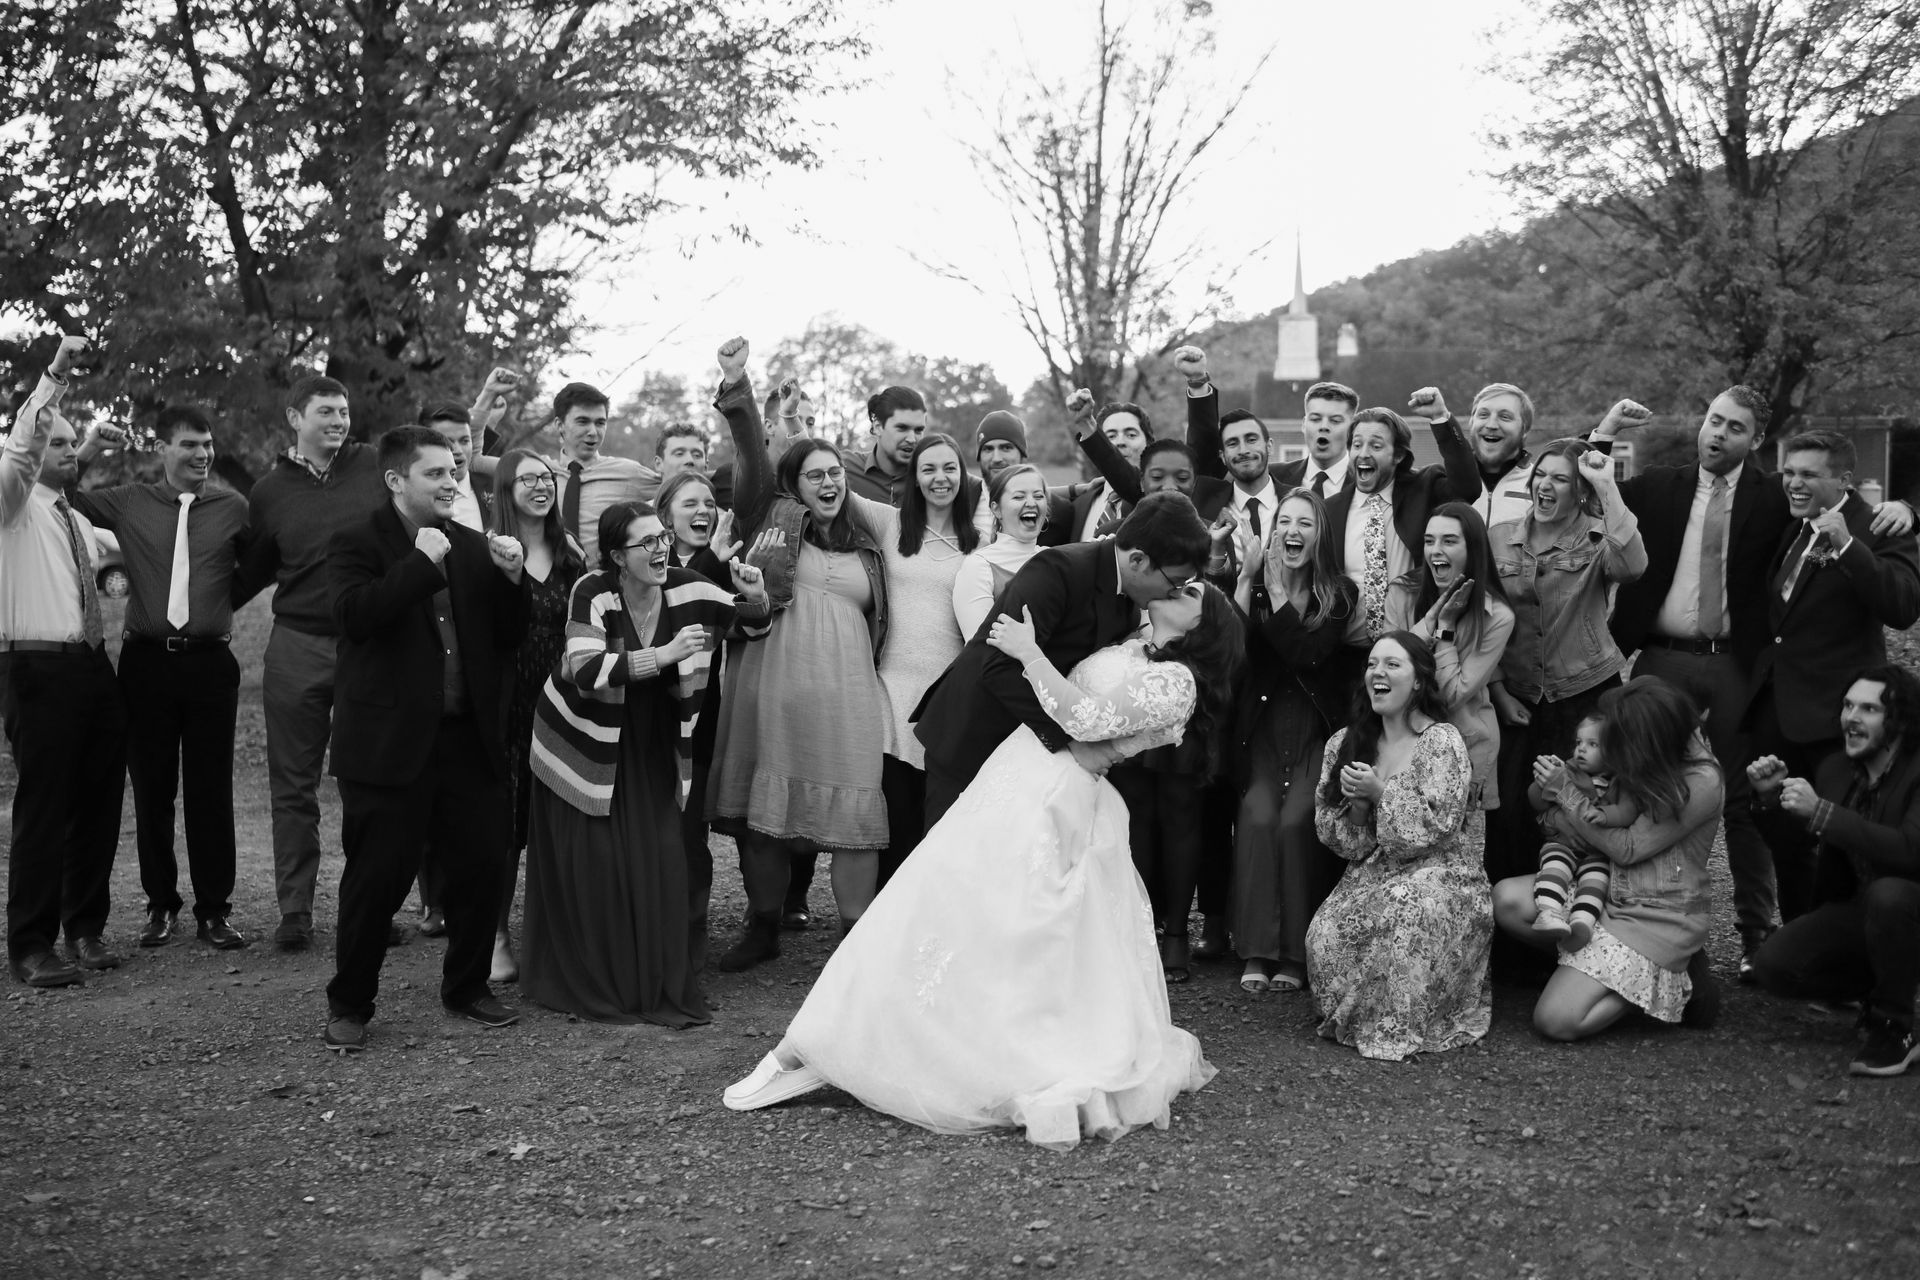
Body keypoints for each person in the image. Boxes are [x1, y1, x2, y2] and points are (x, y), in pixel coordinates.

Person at [721, 580, 1243, 1151]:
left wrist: (1029, 652)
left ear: (1204, 622)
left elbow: (1087, 720)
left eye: (1192, 589)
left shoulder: (1178, 683)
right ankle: (823, 1036)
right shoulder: (1133, 644)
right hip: (1015, 772)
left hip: (1060, 797)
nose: (1177, 583)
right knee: (930, 896)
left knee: (1007, 926)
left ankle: (934, 1049)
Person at [320, 427, 530, 1052]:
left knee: (483, 866)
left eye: (454, 472)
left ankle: (465, 987)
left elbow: (506, 638)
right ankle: (351, 1004)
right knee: (377, 878)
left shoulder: (472, 545)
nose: (451, 482)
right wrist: (420, 563)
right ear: (395, 481)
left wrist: (515, 580)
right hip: (389, 744)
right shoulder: (355, 542)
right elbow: (356, 617)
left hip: (467, 739)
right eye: (434, 473)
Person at [521, 501, 769, 1025]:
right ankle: (596, 974)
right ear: (616, 555)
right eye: (646, 543)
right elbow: (586, 669)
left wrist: (755, 596)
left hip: (654, 744)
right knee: (599, 864)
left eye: (662, 538)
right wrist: (666, 654)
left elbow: (748, 626)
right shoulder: (592, 591)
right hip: (584, 742)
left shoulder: (689, 588)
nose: (661, 550)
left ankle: (651, 976)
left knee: (659, 855)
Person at [706, 339, 894, 968]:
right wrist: (739, 387)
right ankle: (762, 928)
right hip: (771, 683)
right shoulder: (771, 516)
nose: (828, 483)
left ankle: (854, 938)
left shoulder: (870, 543)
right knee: (764, 815)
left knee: (856, 813)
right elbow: (751, 456)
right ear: (794, 485)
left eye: (836, 474)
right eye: (814, 475)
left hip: (850, 696)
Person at [913, 489, 1212, 828]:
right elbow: (996, 668)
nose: (1172, 593)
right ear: (1138, 561)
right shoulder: (1058, 569)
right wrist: (1073, 743)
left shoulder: (1130, 597)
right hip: (973, 734)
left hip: (1028, 755)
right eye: (1175, 582)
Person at [69, 405, 250, 951]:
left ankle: (214, 910)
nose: (202, 454)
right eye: (190, 444)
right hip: (146, 663)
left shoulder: (234, 507)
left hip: (210, 664)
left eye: (208, 444)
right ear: (163, 449)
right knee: (152, 790)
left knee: (210, 790)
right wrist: (88, 447)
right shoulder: (129, 501)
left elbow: (264, 558)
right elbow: (62, 492)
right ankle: (160, 905)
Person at [233, 373, 389, 952]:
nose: (339, 420)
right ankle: (295, 910)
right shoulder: (268, 491)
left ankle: (368, 905)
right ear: (295, 419)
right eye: (325, 410)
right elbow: (246, 571)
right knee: (293, 784)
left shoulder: (375, 466)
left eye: (344, 411)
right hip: (297, 642)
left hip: (367, 641)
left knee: (368, 779)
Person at [1742, 428, 1920, 927]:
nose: (1794, 484)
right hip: (1776, 708)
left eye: (1808, 475)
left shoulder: (1880, 527)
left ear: (1844, 479)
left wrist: (1848, 545)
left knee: (1844, 838)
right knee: (1780, 829)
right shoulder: (1791, 521)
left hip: (1840, 715)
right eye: (1789, 473)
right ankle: (1802, 938)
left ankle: (1851, 950)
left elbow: (1903, 606)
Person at [1492, 677, 1724, 1040]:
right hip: (1605, 888)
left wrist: (1566, 795)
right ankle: (1595, 968)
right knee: (1506, 899)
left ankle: (1666, 983)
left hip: (1654, 913)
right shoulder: (1653, 750)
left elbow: (1627, 848)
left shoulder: (1701, 780)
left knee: (1555, 1021)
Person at [0, 336, 126, 988]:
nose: (66, 447)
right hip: (36, 670)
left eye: (72, 440)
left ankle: (84, 927)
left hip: (92, 665)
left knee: (101, 800)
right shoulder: (11, 507)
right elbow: (20, 450)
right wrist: (53, 377)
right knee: (46, 808)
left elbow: (113, 556)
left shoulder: (72, 518)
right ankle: (30, 945)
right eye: (57, 439)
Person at [1307, 632, 1490, 1061]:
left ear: (1419, 681)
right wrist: (1357, 808)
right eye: (1372, 664)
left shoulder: (1442, 741)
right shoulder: (1344, 743)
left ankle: (1404, 1025)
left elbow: (1435, 828)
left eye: (1393, 664)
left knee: (1408, 908)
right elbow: (1344, 842)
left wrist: (1382, 793)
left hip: (1446, 873)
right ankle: (1356, 1016)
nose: (1378, 673)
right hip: (1374, 872)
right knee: (1324, 933)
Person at [1485, 440, 1647, 882]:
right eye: (1542, 475)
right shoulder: (1499, 537)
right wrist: (1497, 690)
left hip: (1585, 693)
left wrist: (1607, 485)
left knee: (1582, 805)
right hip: (1515, 696)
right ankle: (1514, 926)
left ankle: (1578, 916)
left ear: (1580, 491)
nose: (1546, 485)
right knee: (1512, 808)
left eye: (1561, 478)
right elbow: (1483, 616)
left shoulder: (1598, 535)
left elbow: (1633, 567)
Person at [1747, 666, 1920, 1077]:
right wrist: (1772, 802)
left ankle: (1895, 1027)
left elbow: (1911, 851)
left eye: (1868, 708)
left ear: (1901, 721)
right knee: (1774, 966)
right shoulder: (1835, 769)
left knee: (1890, 895)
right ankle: (1879, 991)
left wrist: (1823, 814)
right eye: (1847, 705)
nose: (1851, 717)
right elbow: (1798, 848)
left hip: (1909, 905)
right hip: (1867, 913)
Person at [1228, 488, 1360, 994]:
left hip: (1312, 732)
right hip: (1260, 733)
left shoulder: (1338, 594)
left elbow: (1307, 653)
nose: (1292, 531)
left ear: (1319, 534)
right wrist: (1246, 580)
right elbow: (1233, 649)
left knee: (1295, 821)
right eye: (1284, 521)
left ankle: (1297, 954)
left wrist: (1277, 590)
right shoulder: (1256, 588)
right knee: (1259, 818)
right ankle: (1257, 950)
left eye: (1305, 523)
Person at [486, 448, 585, 982]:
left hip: (565, 698)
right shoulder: (490, 549)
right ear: (506, 490)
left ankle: (557, 937)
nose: (540, 486)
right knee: (506, 828)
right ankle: (496, 934)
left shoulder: (569, 551)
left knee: (560, 822)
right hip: (510, 700)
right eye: (527, 479)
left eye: (546, 477)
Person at [870, 432, 979, 887]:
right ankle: (885, 924)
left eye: (949, 468)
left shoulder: (984, 538)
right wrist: (793, 423)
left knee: (941, 818)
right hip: (891, 689)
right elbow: (825, 487)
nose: (940, 478)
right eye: (928, 469)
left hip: (948, 693)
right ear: (914, 478)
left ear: (963, 475)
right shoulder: (890, 524)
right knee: (895, 813)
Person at [1384, 503, 1515, 864]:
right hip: (1401, 748)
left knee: (1457, 868)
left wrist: (1444, 633)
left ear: (1472, 550)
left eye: (1449, 541)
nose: (1435, 550)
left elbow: (1453, 694)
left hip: (1468, 749)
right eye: (1429, 541)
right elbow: (1386, 670)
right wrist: (1429, 623)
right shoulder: (1402, 594)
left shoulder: (1498, 616)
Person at [1324, 395, 1483, 651]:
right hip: (1346, 654)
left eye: (1376, 446)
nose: (1363, 454)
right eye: (1357, 445)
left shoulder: (1425, 488)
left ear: (1397, 455)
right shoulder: (1329, 510)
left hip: (1415, 647)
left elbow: (1468, 488)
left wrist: (1440, 418)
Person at [475, 383, 656, 568]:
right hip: (547, 581)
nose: (593, 432)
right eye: (583, 421)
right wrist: (488, 395)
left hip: (604, 587)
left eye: (600, 422)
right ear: (560, 425)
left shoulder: (627, 472)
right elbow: (473, 460)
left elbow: (675, 488)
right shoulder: (534, 469)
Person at [1175, 345, 1355, 497]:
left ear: (1352, 428)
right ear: (1304, 425)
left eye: (1335, 420)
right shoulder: (1270, 477)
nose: (1324, 427)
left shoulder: (1370, 483)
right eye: (1315, 419)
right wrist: (1198, 381)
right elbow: (1206, 462)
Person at [1528, 714, 1639, 949]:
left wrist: (1605, 815)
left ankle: (1582, 921)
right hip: (1563, 845)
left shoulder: (1620, 781)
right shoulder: (1567, 770)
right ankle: (1548, 913)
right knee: (1553, 869)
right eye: (1579, 743)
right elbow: (1538, 803)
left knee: (1596, 881)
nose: (1581, 750)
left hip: (1597, 853)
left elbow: (1626, 812)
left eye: (1592, 745)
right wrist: (1542, 784)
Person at [952, 463, 1052, 636]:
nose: (1031, 503)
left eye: (1038, 496)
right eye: (1019, 497)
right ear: (996, 509)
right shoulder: (979, 566)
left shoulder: (1053, 558)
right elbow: (979, 648)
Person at [1069, 402, 1154, 542]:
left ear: (1149, 444)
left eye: (1131, 435)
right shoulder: (1078, 505)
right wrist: (1073, 490)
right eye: (1111, 436)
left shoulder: (1157, 497)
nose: (1120, 442)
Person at [848, 386, 927, 506]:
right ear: (878, 427)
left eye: (918, 430)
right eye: (902, 428)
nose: (911, 439)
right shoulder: (844, 468)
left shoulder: (933, 477)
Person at [422, 402, 489, 531]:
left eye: (465, 441)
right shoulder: (412, 495)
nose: (458, 450)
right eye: (448, 442)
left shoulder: (496, 488)